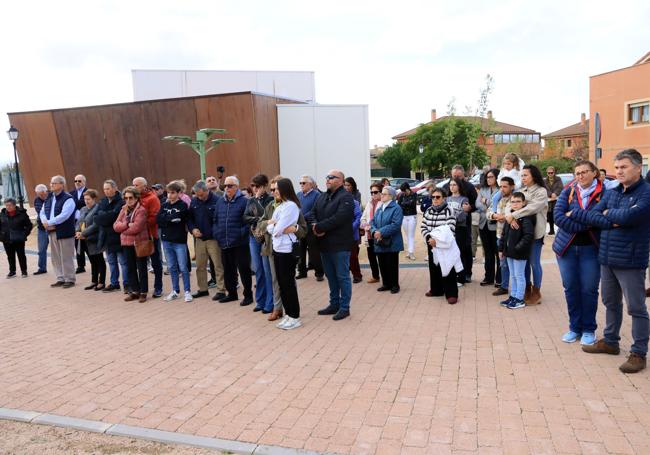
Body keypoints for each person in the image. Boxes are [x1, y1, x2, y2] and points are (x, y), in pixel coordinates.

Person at [571, 149, 650, 373]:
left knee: (636, 308)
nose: (619, 171)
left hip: (631, 260)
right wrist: (609, 216)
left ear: (637, 167)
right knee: (610, 302)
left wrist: (608, 214)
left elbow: (631, 217)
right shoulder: (613, 190)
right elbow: (591, 215)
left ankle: (638, 353)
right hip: (606, 257)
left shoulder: (646, 193)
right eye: (616, 168)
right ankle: (611, 341)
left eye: (623, 167)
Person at [553, 160, 604, 345]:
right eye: (577, 173)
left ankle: (589, 329)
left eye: (584, 172)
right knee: (571, 289)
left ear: (594, 173)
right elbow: (557, 217)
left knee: (589, 290)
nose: (580, 176)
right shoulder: (569, 191)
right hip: (566, 249)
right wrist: (584, 223)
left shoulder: (604, 192)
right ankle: (574, 328)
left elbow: (599, 219)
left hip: (591, 249)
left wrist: (573, 214)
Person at [313, 169, 355, 321]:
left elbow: (340, 217)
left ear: (341, 180)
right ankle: (334, 304)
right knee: (330, 276)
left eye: (332, 177)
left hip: (340, 245)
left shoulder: (346, 197)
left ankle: (345, 308)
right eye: (327, 177)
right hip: (324, 244)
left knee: (342, 276)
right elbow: (312, 213)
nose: (328, 179)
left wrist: (320, 227)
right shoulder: (322, 196)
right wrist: (314, 226)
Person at [505, 165, 548, 305]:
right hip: (520, 233)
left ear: (533, 176)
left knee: (534, 263)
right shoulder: (520, 191)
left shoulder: (541, 191)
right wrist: (509, 216)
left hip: (535, 233)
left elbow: (532, 208)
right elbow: (508, 205)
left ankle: (537, 291)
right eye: (521, 175)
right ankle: (526, 289)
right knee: (524, 263)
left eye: (525, 175)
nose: (522, 178)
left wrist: (514, 214)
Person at [267, 178, 302, 330]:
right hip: (277, 249)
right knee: (281, 283)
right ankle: (288, 314)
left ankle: (294, 316)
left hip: (287, 250)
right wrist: (275, 226)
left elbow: (275, 229)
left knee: (288, 284)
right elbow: (270, 227)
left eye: (277, 189)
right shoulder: (280, 206)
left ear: (284, 189)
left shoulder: (291, 206)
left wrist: (275, 226)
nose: (274, 192)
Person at [212, 176, 253, 305]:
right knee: (228, 270)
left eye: (230, 186)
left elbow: (249, 222)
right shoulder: (220, 202)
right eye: (225, 186)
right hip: (224, 241)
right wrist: (217, 234)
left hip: (240, 243)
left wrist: (241, 233)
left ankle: (248, 295)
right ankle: (232, 294)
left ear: (236, 187)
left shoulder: (244, 201)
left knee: (244, 270)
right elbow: (215, 220)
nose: (227, 188)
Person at [421, 187, 461, 304]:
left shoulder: (449, 210)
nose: (435, 199)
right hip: (431, 243)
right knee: (434, 267)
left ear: (444, 198)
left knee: (448, 268)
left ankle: (452, 294)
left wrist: (437, 241)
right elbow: (423, 226)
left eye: (438, 197)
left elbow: (450, 228)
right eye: (433, 197)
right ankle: (436, 290)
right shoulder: (428, 210)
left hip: (445, 245)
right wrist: (429, 238)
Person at [188, 181, 226, 300]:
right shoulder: (194, 201)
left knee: (217, 265)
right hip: (199, 239)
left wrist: (215, 233)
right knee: (200, 266)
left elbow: (221, 220)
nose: (199, 197)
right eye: (197, 195)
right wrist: (193, 229)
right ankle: (203, 289)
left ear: (207, 190)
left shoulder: (218, 200)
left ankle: (221, 290)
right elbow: (189, 218)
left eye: (201, 195)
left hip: (214, 239)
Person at [498, 192, 535, 309]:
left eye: (518, 201)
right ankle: (513, 296)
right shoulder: (510, 216)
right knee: (513, 275)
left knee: (519, 275)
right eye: (513, 201)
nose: (515, 204)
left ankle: (519, 299)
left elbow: (528, 236)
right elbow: (504, 235)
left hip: (519, 253)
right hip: (509, 252)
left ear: (523, 203)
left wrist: (517, 248)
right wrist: (501, 249)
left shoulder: (526, 218)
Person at [157, 181, 192, 302]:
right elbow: (159, 219)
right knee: (172, 267)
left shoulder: (182, 205)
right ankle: (175, 291)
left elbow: (180, 218)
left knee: (183, 267)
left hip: (179, 241)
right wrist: (170, 219)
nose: (170, 195)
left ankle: (187, 291)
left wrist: (167, 219)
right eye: (168, 193)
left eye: (173, 193)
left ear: (179, 193)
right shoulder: (164, 205)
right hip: (166, 240)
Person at [243, 174, 274, 312]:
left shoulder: (271, 199)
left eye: (258, 186)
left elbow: (269, 217)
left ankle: (270, 302)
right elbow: (245, 217)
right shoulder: (250, 201)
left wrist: (258, 218)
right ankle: (260, 301)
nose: (255, 188)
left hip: (266, 238)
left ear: (264, 186)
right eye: (253, 186)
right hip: (253, 238)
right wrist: (258, 220)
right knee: (258, 270)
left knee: (268, 271)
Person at [114, 186, 149, 303]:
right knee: (130, 268)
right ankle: (135, 291)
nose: (128, 200)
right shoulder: (123, 209)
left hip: (139, 243)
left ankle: (143, 292)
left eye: (131, 198)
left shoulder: (141, 210)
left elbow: (136, 228)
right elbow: (115, 226)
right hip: (126, 244)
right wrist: (126, 225)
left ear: (136, 198)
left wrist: (123, 229)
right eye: (126, 198)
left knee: (141, 268)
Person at [41, 175, 77, 288]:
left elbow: (65, 215)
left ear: (62, 184)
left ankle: (69, 279)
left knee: (66, 256)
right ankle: (60, 278)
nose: (51, 185)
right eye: (51, 183)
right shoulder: (49, 198)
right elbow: (42, 212)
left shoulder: (68, 198)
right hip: (51, 231)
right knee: (55, 257)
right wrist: (45, 222)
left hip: (65, 231)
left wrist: (50, 222)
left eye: (54, 183)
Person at [444, 165, 477, 281]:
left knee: (465, 249)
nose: (456, 178)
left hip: (464, 223)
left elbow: (475, 204)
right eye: (454, 176)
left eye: (458, 176)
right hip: (449, 226)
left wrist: (470, 208)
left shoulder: (470, 187)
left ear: (463, 175)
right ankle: (454, 273)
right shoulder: (446, 186)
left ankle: (467, 273)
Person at [95, 180, 128, 293]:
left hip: (118, 237)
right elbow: (96, 217)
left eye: (108, 188)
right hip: (107, 237)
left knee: (123, 262)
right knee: (111, 262)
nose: (106, 191)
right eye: (104, 189)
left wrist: (105, 217)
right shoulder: (103, 201)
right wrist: (107, 218)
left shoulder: (121, 201)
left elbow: (115, 216)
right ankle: (114, 283)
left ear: (115, 188)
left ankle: (127, 283)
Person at [370, 186, 404, 293]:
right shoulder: (380, 208)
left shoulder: (396, 208)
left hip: (392, 241)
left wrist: (381, 232)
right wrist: (374, 232)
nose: (381, 195)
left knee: (392, 264)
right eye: (382, 193)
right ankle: (386, 284)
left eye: (384, 194)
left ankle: (394, 285)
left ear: (391, 196)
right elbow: (372, 222)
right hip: (380, 241)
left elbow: (396, 224)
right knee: (382, 263)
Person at [133, 177, 163, 298]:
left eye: (136, 185)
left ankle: (158, 287)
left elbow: (155, 218)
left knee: (156, 263)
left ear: (144, 186)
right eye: (133, 185)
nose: (134, 187)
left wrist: (138, 223)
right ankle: (142, 289)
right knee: (140, 264)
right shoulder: (134, 199)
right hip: (138, 237)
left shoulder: (152, 198)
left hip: (151, 236)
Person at [487, 177, 515, 297]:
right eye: (501, 187)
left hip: (513, 236)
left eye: (505, 186)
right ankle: (503, 287)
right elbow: (488, 212)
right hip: (500, 235)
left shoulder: (516, 198)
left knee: (515, 264)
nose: (502, 189)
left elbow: (517, 213)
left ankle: (518, 289)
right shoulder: (497, 199)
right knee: (503, 262)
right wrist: (494, 215)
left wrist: (504, 217)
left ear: (512, 186)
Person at [75, 189, 106, 290]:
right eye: (85, 199)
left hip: (94, 238)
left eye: (88, 199)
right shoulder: (83, 209)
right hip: (84, 239)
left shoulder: (98, 209)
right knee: (92, 261)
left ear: (94, 199)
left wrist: (83, 233)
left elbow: (95, 225)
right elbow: (79, 221)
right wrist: (78, 231)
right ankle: (94, 281)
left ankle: (101, 282)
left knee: (99, 260)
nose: (86, 201)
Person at [476, 169, 501, 286]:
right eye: (487, 177)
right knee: (488, 252)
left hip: (496, 226)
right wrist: (489, 206)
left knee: (498, 252)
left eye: (491, 177)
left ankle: (499, 279)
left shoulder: (501, 190)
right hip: (483, 224)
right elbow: (477, 204)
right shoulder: (483, 189)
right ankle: (488, 277)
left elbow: (498, 205)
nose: (488, 179)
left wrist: (486, 201)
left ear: (496, 177)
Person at [297, 175, 324, 281]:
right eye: (300, 183)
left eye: (304, 183)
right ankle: (302, 272)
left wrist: (301, 217)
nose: (301, 185)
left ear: (310, 184)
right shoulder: (298, 195)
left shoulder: (317, 195)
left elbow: (315, 210)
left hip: (310, 226)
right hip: (300, 226)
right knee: (300, 250)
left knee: (314, 251)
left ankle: (319, 273)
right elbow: (294, 207)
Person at [447, 178, 472, 285]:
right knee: (451, 252)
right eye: (451, 185)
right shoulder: (447, 199)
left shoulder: (464, 199)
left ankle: (462, 276)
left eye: (454, 185)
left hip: (461, 229)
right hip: (449, 229)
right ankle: (454, 274)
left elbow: (463, 216)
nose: (452, 187)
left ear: (459, 186)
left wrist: (451, 218)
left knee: (460, 252)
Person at [0, 197, 32, 278]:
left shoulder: (22, 214)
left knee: (21, 255)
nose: (8, 207)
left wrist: (24, 234)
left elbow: (29, 225)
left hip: (19, 239)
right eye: (6, 205)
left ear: (14, 205)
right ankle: (12, 271)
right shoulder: (2, 214)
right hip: (6, 239)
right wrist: (1, 236)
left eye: (10, 205)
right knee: (10, 256)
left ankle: (24, 271)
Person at [360, 183, 382, 284]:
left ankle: (386, 278)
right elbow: (363, 218)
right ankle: (375, 276)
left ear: (381, 192)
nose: (373, 194)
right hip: (369, 235)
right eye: (371, 192)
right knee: (371, 256)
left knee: (381, 258)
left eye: (375, 192)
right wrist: (366, 226)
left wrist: (374, 229)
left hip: (379, 234)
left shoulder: (383, 204)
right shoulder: (369, 203)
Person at [345, 177, 363, 283]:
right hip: (340, 234)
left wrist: (350, 228)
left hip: (351, 233)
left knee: (353, 256)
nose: (346, 187)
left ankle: (357, 275)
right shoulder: (338, 201)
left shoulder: (355, 202)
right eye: (345, 185)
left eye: (348, 185)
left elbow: (358, 217)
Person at [71, 174, 88, 274]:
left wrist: (75, 203)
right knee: (77, 243)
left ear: (84, 182)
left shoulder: (88, 192)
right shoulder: (71, 193)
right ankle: (80, 265)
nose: (77, 183)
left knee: (86, 241)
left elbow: (82, 203)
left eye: (79, 181)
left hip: (85, 221)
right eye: (75, 181)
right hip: (74, 222)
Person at [398, 182, 417, 260]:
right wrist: (405, 203)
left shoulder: (414, 194)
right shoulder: (402, 195)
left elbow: (412, 204)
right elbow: (399, 205)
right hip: (404, 216)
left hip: (412, 216)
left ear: (408, 189)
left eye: (404, 190)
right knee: (407, 235)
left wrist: (404, 204)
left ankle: (411, 252)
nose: (404, 192)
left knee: (411, 235)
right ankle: (409, 251)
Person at [33, 184, 50, 275]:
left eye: (39, 194)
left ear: (44, 192)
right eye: (37, 194)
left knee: (57, 250)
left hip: (53, 227)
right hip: (42, 228)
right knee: (41, 249)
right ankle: (42, 268)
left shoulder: (52, 197)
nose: (38, 196)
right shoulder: (37, 200)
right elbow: (41, 212)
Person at [544, 166, 563, 235]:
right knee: (549, 215)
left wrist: (555, 193)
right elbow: (544, 189)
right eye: (549, 173)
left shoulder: (558, 179)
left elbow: (560, 187)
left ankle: (560, 230)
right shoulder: (544, 181)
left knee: (557, 214)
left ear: (554, 172)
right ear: (547, 173)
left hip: (557, 199)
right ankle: (551, 230)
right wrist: (550, 194)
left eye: (551, 173)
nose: (550, 174)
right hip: (549, 199)